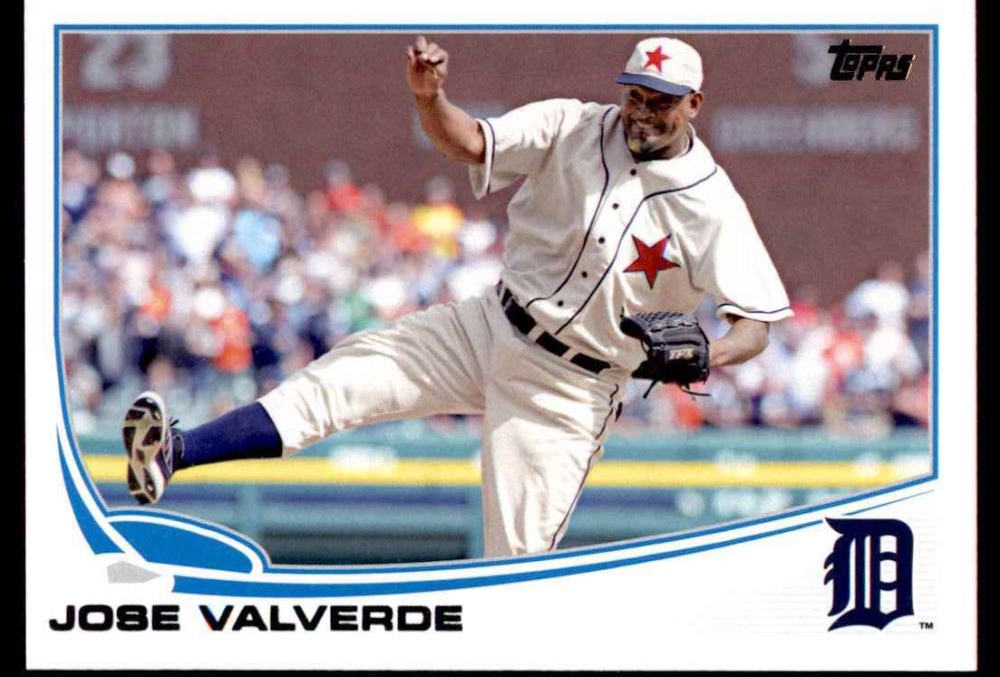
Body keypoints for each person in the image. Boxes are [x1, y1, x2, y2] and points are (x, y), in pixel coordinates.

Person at [122, 35, 792, 558]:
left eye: (661, 100)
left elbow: (755, 324)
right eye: (636, 95)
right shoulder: (573, 124)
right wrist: (429, 100)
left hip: (568, 391)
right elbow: (471, 142)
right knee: (342, 381)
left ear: (694, 104)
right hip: (488, 326)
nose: (642, 111)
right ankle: (176, 451)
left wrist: (709, 355)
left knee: (516, 567)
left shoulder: (713, 204)